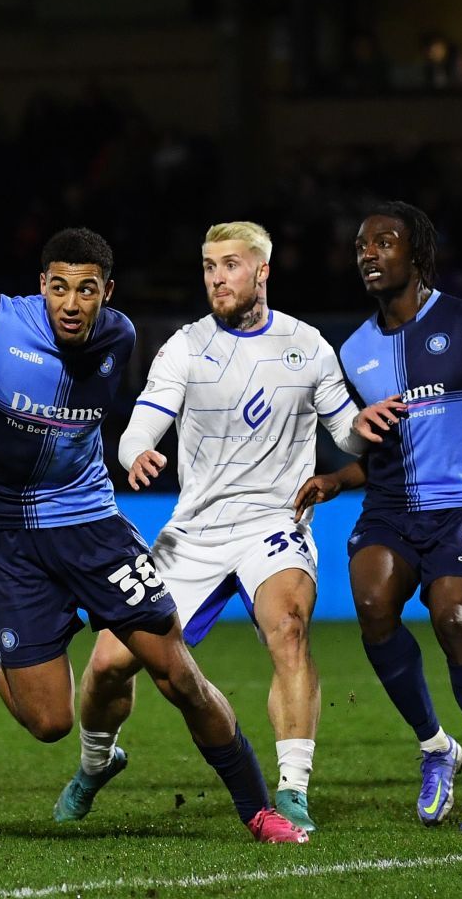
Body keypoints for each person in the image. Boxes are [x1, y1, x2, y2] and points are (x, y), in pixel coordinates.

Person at [0, 227, 309, 844]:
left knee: (177, 673)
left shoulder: (120, 337)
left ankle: (259, 810)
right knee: (47, 723)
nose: (71, 304)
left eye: (87, 290)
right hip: (11, 539)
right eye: (60, 288)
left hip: (93, 527)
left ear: (107, 293)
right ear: (42, 286)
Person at [54, 221, 379, 834]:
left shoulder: (306, 346)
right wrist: (136, 455)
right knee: (105, 668)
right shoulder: (185, 346)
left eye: (230, 265)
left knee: (288, 627)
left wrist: (375, 423)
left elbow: (346, 433)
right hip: (194, 534)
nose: (216, 278)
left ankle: (291, 789)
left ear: (262, 271)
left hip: (274, 523)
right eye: (208, 266)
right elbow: (138, 429)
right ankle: (98, 762)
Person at [294, 202, 462, 833]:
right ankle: (436, 748)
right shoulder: (356, 350)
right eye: (361, 244)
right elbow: (375, 448)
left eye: (384, 242)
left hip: (459, 508)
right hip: (388, 508)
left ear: (416, 253)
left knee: (452, 618)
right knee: (371, 606)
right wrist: (339, 476)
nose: (368, 253)